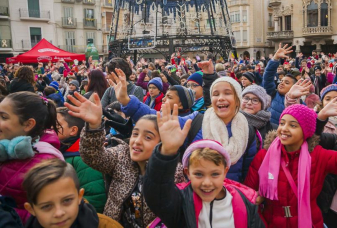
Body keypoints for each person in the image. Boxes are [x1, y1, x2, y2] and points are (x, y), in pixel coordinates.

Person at [244, 96, 337, 228]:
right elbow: (248, 194)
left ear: (305, 131)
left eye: (293, 125)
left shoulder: (318, 156)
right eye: (282, 123)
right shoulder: (264, 156)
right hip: (270, 222)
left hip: (309, 221)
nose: (284, 129)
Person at [114, 68, 259, 182]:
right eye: (215, 94)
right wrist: (126, 101)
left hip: (230, 200)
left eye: (227, 93)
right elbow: (158, 119)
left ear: (237, 99)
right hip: (194, 196)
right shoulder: (197, 121)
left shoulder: (249, 131)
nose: (220, 98)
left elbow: (247, 175)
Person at [64, 92, 185, 227]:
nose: (137, 141)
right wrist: (94, 126)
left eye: (148, 137)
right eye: (135, 134)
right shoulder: (121, 155)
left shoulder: (174, 172)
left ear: (164, 142)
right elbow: (92, 156)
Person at [143, 104, 265, 227]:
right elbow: (156, 195)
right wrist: (167, 151)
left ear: (225, 171)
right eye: (199, 174)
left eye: (215, 174)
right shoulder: (181, 201)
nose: (207, 182)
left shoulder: (246, 203)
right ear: (187, 173)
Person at [0, 92, 63, 224]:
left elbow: (50, 216)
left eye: (4, 117)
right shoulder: (6, 149)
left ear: (28, 124)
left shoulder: (45, 165)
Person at [22, 159, 122, 228]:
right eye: (47, 206)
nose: (59, 213)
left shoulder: (107, 226)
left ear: (79, 196)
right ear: (31, 209)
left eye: (67, 200)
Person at [56, 107, 107, 214]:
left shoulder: (83, 158)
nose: (50, 129)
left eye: (56, 125)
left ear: (73, 130)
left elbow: (95, 198)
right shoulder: (59, 150)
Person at [263, 44, 297, 124]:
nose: (282, 83)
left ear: (294, 87)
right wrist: (275, 58)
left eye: (287, 82)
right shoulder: (272, 93)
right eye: (281, 81)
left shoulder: (299, 102)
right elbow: (268, 76)